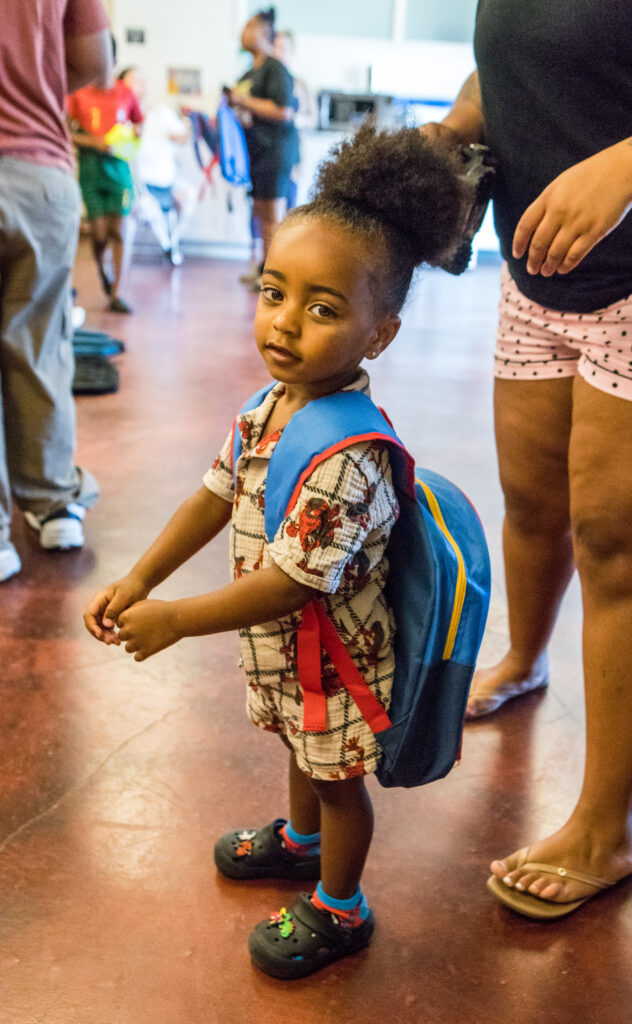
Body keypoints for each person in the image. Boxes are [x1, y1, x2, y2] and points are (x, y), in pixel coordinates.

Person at [83, 123, 466, 977]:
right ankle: (300, 844)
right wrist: (141, 575)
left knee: (336, 782)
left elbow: (293, 583)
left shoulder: (352, 457)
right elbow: (213, 495)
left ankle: (341, 906)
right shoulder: (272, 403)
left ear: (381, 333)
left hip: (334, 659)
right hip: (290, 655)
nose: (286, 323)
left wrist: (174, 619)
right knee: (297, 750)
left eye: (324, 308)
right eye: (273, 292)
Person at [423, 0, 632, 918]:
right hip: (536, 272)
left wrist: (626, 167)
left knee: (616, 544)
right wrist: (457, 127)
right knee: (530, 504)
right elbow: (512, 70)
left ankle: (603, 830)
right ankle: (524, 658)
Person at [0, 0, 110, 581]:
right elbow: (95, 60)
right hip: (39, 170)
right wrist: (33, 82)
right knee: (39, 344)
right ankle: (52, 504)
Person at [67, 42, 144, 313]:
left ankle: (117, 293)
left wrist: (126, 141)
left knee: (120, 231)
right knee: (99, 235)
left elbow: (138, 126)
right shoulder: (78, 95)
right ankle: (103, 272)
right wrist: (93, 141)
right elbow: (64, 132)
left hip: (119, 171)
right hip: (90, 170)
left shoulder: (125, 94)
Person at [228, 7, 299, 287]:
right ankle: (264, 269)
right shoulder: (249, 73)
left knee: (272, 217)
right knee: (260, 213)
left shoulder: (275, 68)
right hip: (255, 152)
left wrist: (242, 102)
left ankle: (275, 278)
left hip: (275, 151)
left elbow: (284, 111)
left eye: (248, 27)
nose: (242, 33)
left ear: (263, 34)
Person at [118, 67, 197, 266]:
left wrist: (188, 120)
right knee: (148, 209)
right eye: (133, 80)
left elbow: (181, 138)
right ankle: (168, 246)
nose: (140, 85)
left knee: (189, 197)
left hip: (167, 181)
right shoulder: (121, 120)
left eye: (141, 80)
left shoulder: (160, 113)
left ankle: (171, 243)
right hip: (139, 187)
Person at [273, 29, 316, 209]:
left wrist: (290, 119)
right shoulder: (264, 83)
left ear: (291, 51)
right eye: (275, 47)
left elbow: (312, 119)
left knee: (290, 206)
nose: (278, 52)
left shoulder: (300, 85)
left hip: (291, 155)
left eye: (283, 48)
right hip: (266, 154)